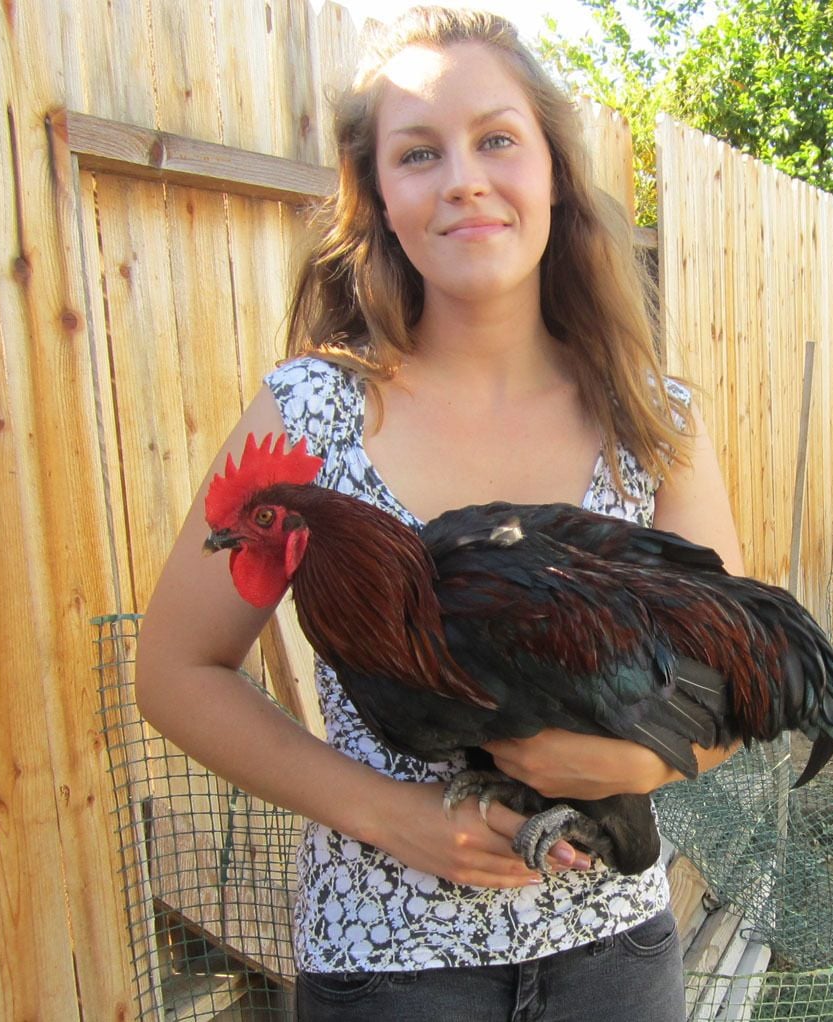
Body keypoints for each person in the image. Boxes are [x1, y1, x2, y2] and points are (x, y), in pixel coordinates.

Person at [136, 6, 744, 1020]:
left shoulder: (650, 418)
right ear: (378, 197)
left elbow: (734, 684)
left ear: (553, 170)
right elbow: (174, 671)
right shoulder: (312, 411)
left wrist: (628, 760)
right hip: (388, 961)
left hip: (614, 954)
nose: (463, 178)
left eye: (496, 139)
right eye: (418, 153)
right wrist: (390, 814)